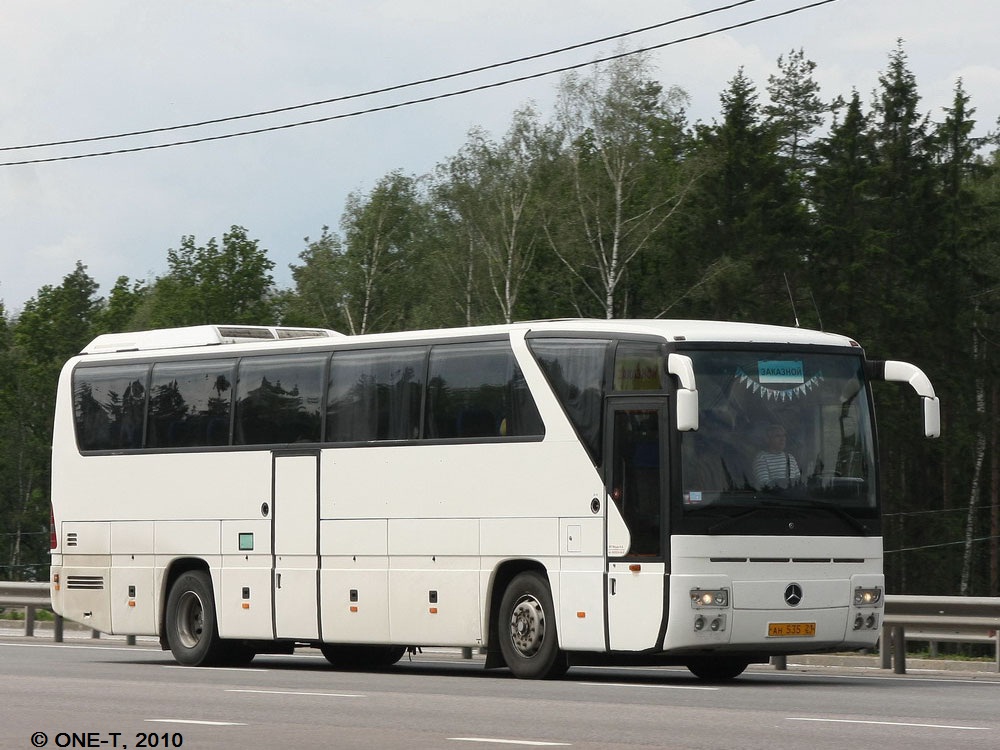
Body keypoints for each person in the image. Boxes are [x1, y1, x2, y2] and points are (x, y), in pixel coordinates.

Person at [753, 424, 800, 489]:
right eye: (778, 436)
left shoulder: (790, 457)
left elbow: (798, 481)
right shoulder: (762, 458)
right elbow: (764, 484)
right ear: (768, 439)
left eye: (784, 436)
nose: (782, 439)